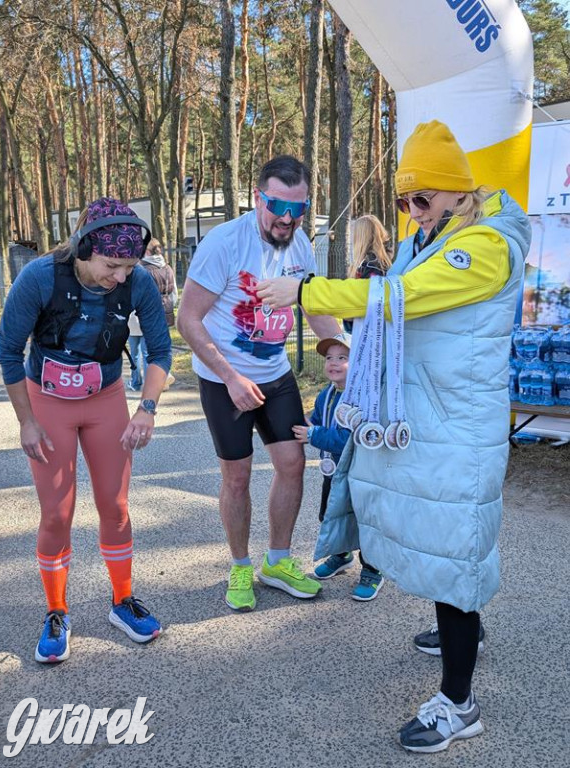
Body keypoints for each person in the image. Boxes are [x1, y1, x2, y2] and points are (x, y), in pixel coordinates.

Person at [256, 121, 531, 752]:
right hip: (432, 418)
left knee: (455, 546)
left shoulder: (484, 247)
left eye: (422, 199)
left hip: (458, 425)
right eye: (404, 200)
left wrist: (305, 290)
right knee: (444, 546)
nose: (411, 212)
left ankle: (459, 704)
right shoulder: (429, 234)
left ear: (457, 192)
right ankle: (466, 631)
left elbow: (401, 298)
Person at [0, 197, 172, 663]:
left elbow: (161, 352)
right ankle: (56, 611)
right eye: (112, 265)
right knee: (57, 513)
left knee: (115, 505)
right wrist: (26, 422)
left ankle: (122, 601)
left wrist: (147, 408)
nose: (121, 276)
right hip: (47, 402)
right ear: (83, 249)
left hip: (106, 399)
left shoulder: (136, 281)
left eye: (129, 266)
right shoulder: (39, 277)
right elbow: (9, 351)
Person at [177, 155, 341, 612]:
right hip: (223, 378)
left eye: (298, 209)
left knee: (292, 463)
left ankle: (278, 561)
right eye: (277, 206)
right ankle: (240, 566)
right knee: (238, 475)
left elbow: (314, 309)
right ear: (257, 198)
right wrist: (229, 377)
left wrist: (347, 349)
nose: (286, 219)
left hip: (276, 374)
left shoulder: (302, 246)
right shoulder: (225, 243)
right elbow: (187, 320)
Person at [294, 332, 385, 601]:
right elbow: (318, 421)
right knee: (331, 513)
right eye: (329, 358)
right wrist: (306, 424)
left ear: (358, 362)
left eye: (342, 358)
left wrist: (313, 435)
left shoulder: (364, 397)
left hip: (360, 473)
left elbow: (349, 440)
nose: (333, 363)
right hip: (333, 471)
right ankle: (341, 554)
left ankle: (372, 569)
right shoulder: (327, 393)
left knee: (363, 519)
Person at [127, 238, 177, 392]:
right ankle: (155, 384)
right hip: (160, 314)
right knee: (152, 351)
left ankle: (137, 382)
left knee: (135, 352)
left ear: (146, 251)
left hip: (136, 316)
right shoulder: (167, 268)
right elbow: (174, 293)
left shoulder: (139, 269)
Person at [344, 213, 392, 332]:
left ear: (359, 237)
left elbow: (365, 304)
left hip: (369, 336)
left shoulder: (369, 266)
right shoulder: (385, 264)